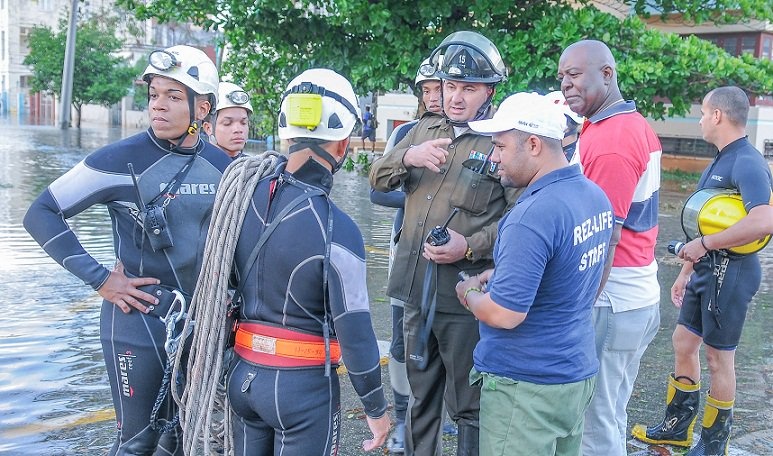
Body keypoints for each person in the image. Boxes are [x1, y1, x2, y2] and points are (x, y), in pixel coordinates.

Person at [23, 45, 230, 455]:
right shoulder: (120, 159)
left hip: (200, 323)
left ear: (202, 107)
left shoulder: (224, 165)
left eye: (173, 96)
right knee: (137, 443)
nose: (159, 106)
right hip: (136, 322)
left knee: (182, 438)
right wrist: (101, 279)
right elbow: (41, 212)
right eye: (154, 95)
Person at [186, 68, 390, 455]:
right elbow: (356, 331)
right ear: (343, 143)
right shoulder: (336, 228)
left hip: (242, 378)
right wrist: (376, 409)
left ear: (286, 133)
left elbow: (213, 277)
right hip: (301, 391)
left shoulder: (238, 199)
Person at [370, 30, 518, 456]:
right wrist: (406, 157)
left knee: (469, 405)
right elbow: (376, 180)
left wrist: (467, 246)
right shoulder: (420, 131)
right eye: (450, 86)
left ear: (489, 91)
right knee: (419, 399)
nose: (455, 97)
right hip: (415, 292)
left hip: (465, 299)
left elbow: (520, 222)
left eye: (468, 88)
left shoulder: (500, 141)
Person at [455, 91, 613, 456]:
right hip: (575, 373)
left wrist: (469, 294)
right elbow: (578, 270)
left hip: (526, 388)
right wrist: (508, 273)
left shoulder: (531, 215)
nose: (493, 158)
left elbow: (505, 314)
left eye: (500, 146)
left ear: (533, 143)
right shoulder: (594, 196)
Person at [632, 86, 773, 455]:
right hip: (705, 269)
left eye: (702, 113)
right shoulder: (718, 160)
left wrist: (707, 246)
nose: (699, 120)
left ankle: (713, 445)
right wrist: (686, 270)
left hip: (734, 272)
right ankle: (677, 428)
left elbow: (764, 220)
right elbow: (703, 225)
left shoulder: (748, 161)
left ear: (717, 116)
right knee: (683, 342)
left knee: (718, 356)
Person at [557, 39, 663, 456]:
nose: (566, 84)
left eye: (575, 74)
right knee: (610, 414)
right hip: (635, 295)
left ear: (607, 74)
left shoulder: (612, 140)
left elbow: (601, 235)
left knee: (594, 425)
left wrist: (578, 305)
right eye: (562, 76)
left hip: (611, 299)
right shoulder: (622, 124)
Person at [369, 56, 443, 454]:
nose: (434, 97)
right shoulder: (407, 133)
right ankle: (402, 417)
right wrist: (418, 196)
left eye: (439, 88)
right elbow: (376, 190)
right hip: (408, 251)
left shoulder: (477, 134)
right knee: (402, 338)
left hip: (455, 258)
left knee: (448, 338)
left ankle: (439, 415)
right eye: (426, 90)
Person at [211, 81, 253, 159]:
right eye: (227, 123)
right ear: (208, 128)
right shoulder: (196, 167)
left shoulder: (255, 166)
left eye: (243, 123)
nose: (238, 130)